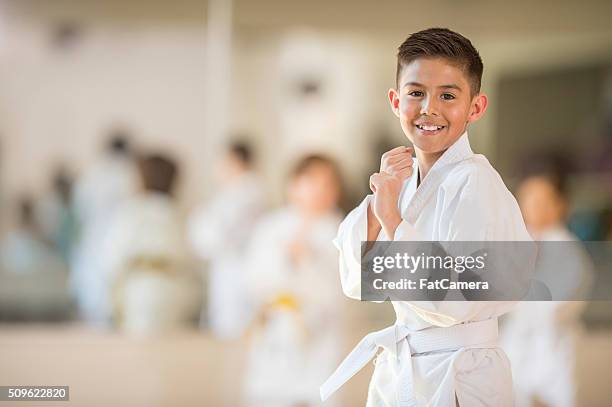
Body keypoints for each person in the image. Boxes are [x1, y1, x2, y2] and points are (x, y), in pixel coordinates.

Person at [320, 28, 532, 407]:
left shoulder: (476, 182)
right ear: (395, 100)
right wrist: (377, 203)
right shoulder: (400, 184)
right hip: (406, 368)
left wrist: (392, 220)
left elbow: (455, 298)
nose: (429, 108)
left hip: (460, 375)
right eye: (415, 92)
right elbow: (360, 281)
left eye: (448, 95)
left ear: (476, 107)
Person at [244, 155, 345, 407]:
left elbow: (342, 288)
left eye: (328, 183)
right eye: (311, 180)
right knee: (270, 392)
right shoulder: (270, 227)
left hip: (320, 330)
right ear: (293, 184)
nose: (319, 189)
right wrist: (287, 259)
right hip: (275, 328)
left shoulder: (341, 230)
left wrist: (309, 260)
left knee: (319, 391)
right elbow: (254, 278)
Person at [501, 156, 593, 407]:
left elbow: (553, 307)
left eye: (543, 200)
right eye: (528, 198)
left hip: (556, 351)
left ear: (561, 204)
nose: (534, 207)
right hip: (514, 349)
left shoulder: (570, 253)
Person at [102, 154, 200, 335]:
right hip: (178, 290)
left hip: (139, 290)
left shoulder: (131, 212)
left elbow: (111, 257)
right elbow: (196, 260)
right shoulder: (181, 214)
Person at [188, 141, 264, 338]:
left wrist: (199, 225)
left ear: (235, 161)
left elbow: (215, 234)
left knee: (234, 329)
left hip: (238, 270)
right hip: (230, 268)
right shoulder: (234, 192)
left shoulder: (247, 192)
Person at [70, 131, 139, 325]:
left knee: (95, 305)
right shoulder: (132, 174)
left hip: (94, 244)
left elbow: (80, 209)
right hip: (122, 244)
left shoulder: (92, 174)